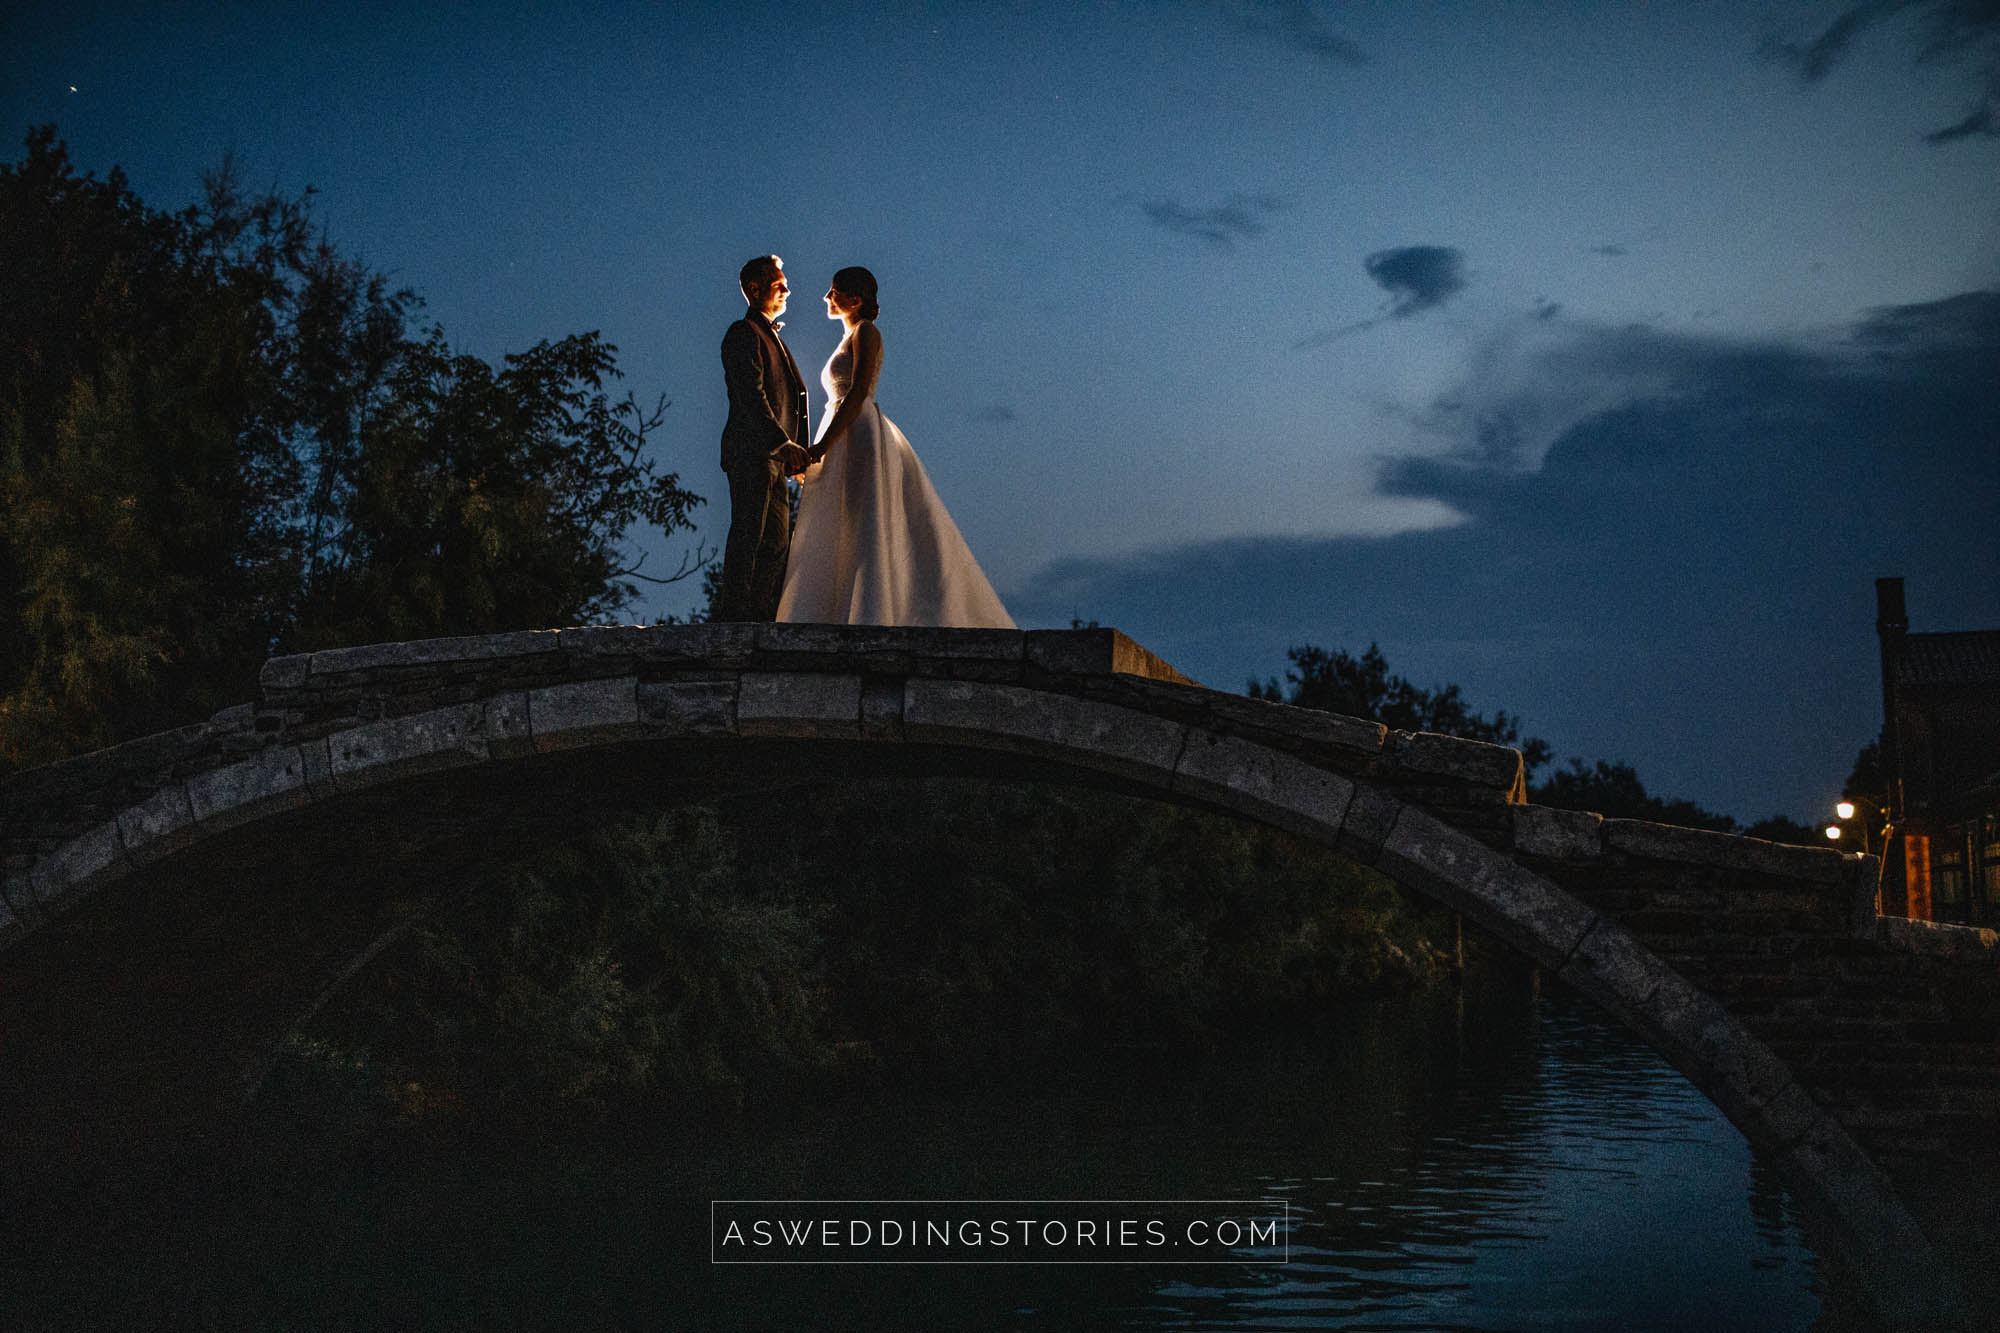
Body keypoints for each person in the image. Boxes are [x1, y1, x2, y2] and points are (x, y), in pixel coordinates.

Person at [776, 267, 1013, 628]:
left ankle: (872, 610)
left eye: (834, 291)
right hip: (844, 430)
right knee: (844, 522)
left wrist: (821, 446)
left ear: (855, 299)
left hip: (858, 431)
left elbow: (857, 392)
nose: (827, 297)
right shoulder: (850, 336)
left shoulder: (866, 332)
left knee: (865, 518)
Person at [716, 254, 811, 621]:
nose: (787, 288)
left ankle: (756, 618)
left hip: (773, 458)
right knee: (748, 535)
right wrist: (782, 442)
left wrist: (792, 450)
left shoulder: (772, 336)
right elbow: (750, 394)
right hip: (751, 453)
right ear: (754, 290)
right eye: (778, 283)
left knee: (775, 542)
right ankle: (733, 620)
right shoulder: (743, 334)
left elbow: (787, 396)